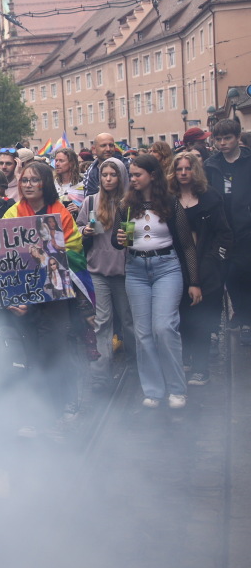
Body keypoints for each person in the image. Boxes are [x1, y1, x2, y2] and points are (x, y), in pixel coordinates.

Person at [111, 154, 200, 409]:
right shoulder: (125, 205)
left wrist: (194, 280)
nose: (133, 179)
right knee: (143, 332)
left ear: (152, 175)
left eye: (137, 174)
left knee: (164, 327)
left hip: (166, 268)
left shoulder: (170, 203)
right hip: (136, 269)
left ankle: (176, 388)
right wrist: (119, 238)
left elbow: (187, 245)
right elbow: (118, 244)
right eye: (132, 174)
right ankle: (153, 390)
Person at [2, 160, 87, 425]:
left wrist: (48, 253)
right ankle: (40, 407)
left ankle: (67, 401)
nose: (28, 185)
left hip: (55, 296)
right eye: (24, 180)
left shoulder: (61, 213)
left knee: (57, 349)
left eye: (34, 180)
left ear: (45, 183)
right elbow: (3, 257)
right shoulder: (12, 213)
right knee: (32, 352)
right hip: (25, 296)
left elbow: (75, 251)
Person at [170, 151, 232, 386]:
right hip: (177, 266)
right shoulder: (169, 199)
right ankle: (186, 358)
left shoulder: (210, 197)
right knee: (182, 317)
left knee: (202, 319)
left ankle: (201, 367)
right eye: (179, 169)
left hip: (206, 266)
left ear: (195, 171)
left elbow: (224, 234)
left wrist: (215, 259)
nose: (184, 173)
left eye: (188, 168)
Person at [78, 157, 134, 393]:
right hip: (98, 268)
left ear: (121, 177)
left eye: (113, 175)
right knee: (102, 322)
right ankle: (101, 373)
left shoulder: (131, 202)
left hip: (124, 270)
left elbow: (137, 235)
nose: (109, 179)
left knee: (129, 320)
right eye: (104, 175)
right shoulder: (91, 201)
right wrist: (85, 231)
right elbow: (78, 228)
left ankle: (135, 364)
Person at [205, 119, 251, 345]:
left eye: (227, 138)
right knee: (226, 275)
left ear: (237, 137)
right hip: (221, 229)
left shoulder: (248, 161)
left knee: (244, 273)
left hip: (246, 228)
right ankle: (233, 318)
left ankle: (245, 318)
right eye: (218, 139)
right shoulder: (212, 164)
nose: (222, 143)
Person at [83, 132, 125, 197]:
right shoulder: (91, 172)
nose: (108, 149)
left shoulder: (128, 165)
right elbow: (90, 198)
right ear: (94, 149)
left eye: (111, 145)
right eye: (103, 145)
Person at [53, 148, 84, 217]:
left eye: (61, 161)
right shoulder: (52, 183)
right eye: (56, 160)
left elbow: (90, 208)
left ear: (71, 163)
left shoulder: (84, 182)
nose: (57, 164)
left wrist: (79, 209)